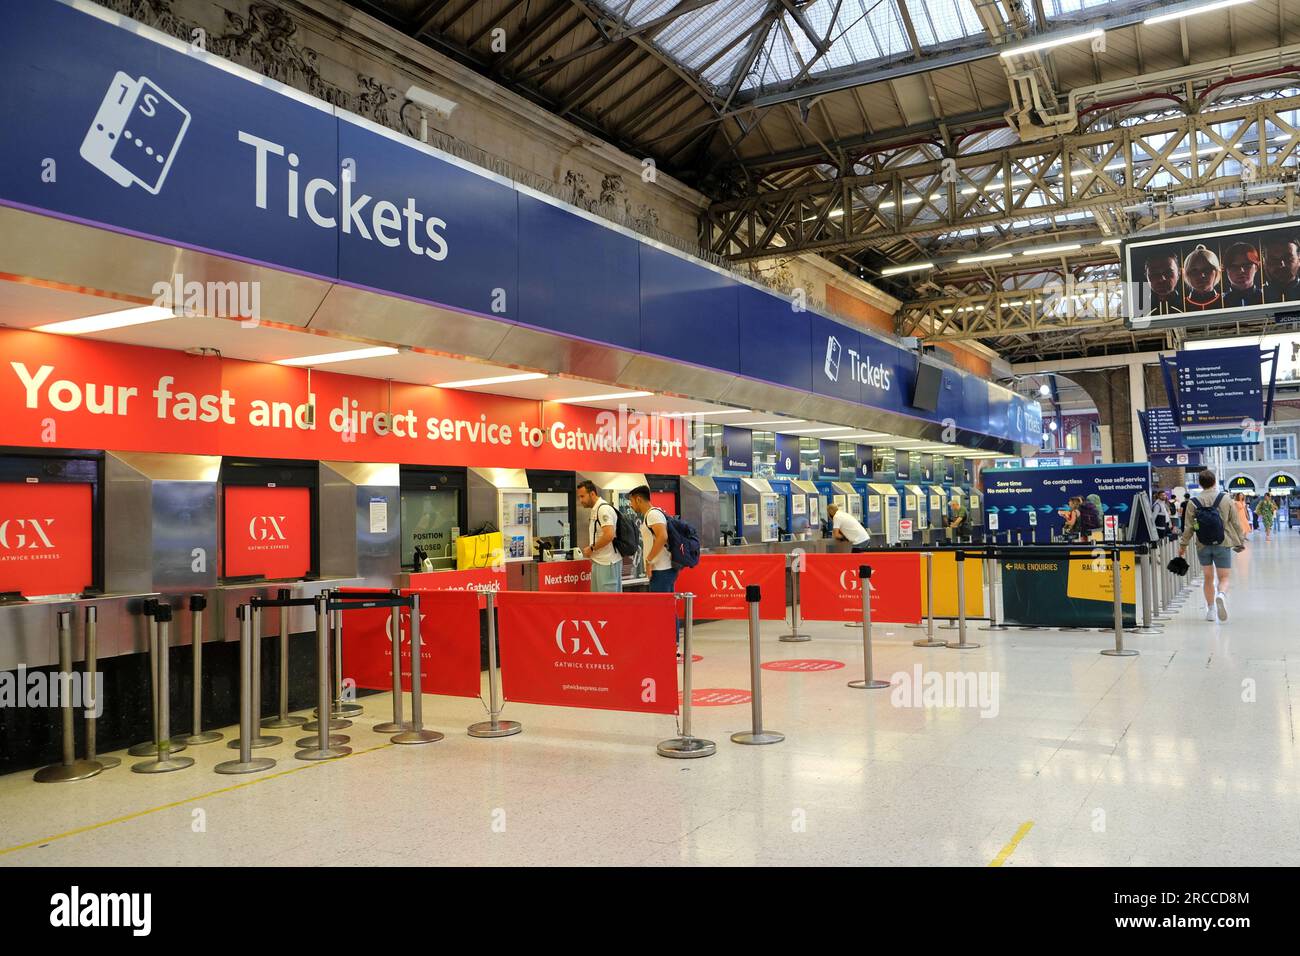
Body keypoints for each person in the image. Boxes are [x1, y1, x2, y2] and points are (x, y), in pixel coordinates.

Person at [1179, 469, 1247, 623]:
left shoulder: (1192, 502)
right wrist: (1240, 541)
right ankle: (1221, 595)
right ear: (1215, 482)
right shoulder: (1226, 499)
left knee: (1208, 578)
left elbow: (1189, 527)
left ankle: (1210, 610)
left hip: (1202, 544)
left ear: (1200, 484)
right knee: (1224, 577)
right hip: (1223, 543)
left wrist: (1183, 545)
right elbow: (1235, 523)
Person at [577, 479, 621, 593]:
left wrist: (592, 548)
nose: (580, 500)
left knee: (608, 604)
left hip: (607, 563)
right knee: (598, 603)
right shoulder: (595, 510)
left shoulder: (603, 509)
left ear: (592, 494)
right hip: (599, 562)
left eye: (582, 496)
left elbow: (609, 535)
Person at [1182, 244, 1223, 311]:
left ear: (1216, 272)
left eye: (1207, 270)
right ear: (1187, 274)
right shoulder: (1180, 306)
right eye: (1194, 271)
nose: (1201, 275)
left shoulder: (1227, 301)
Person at [1222, 242, 1262, 309]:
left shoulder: (1267, 298)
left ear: (1257, 267)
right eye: (1234, 266)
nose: (1241, 270)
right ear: (1226, 269)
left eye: (1247, 266)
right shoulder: (1219, 302)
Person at [1262, 235, 1300, 303]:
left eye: (1288, 258)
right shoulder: (1256, 296)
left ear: (1299, 259)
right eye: (1273, 260)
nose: (1281, 265)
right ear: (1264, 262)